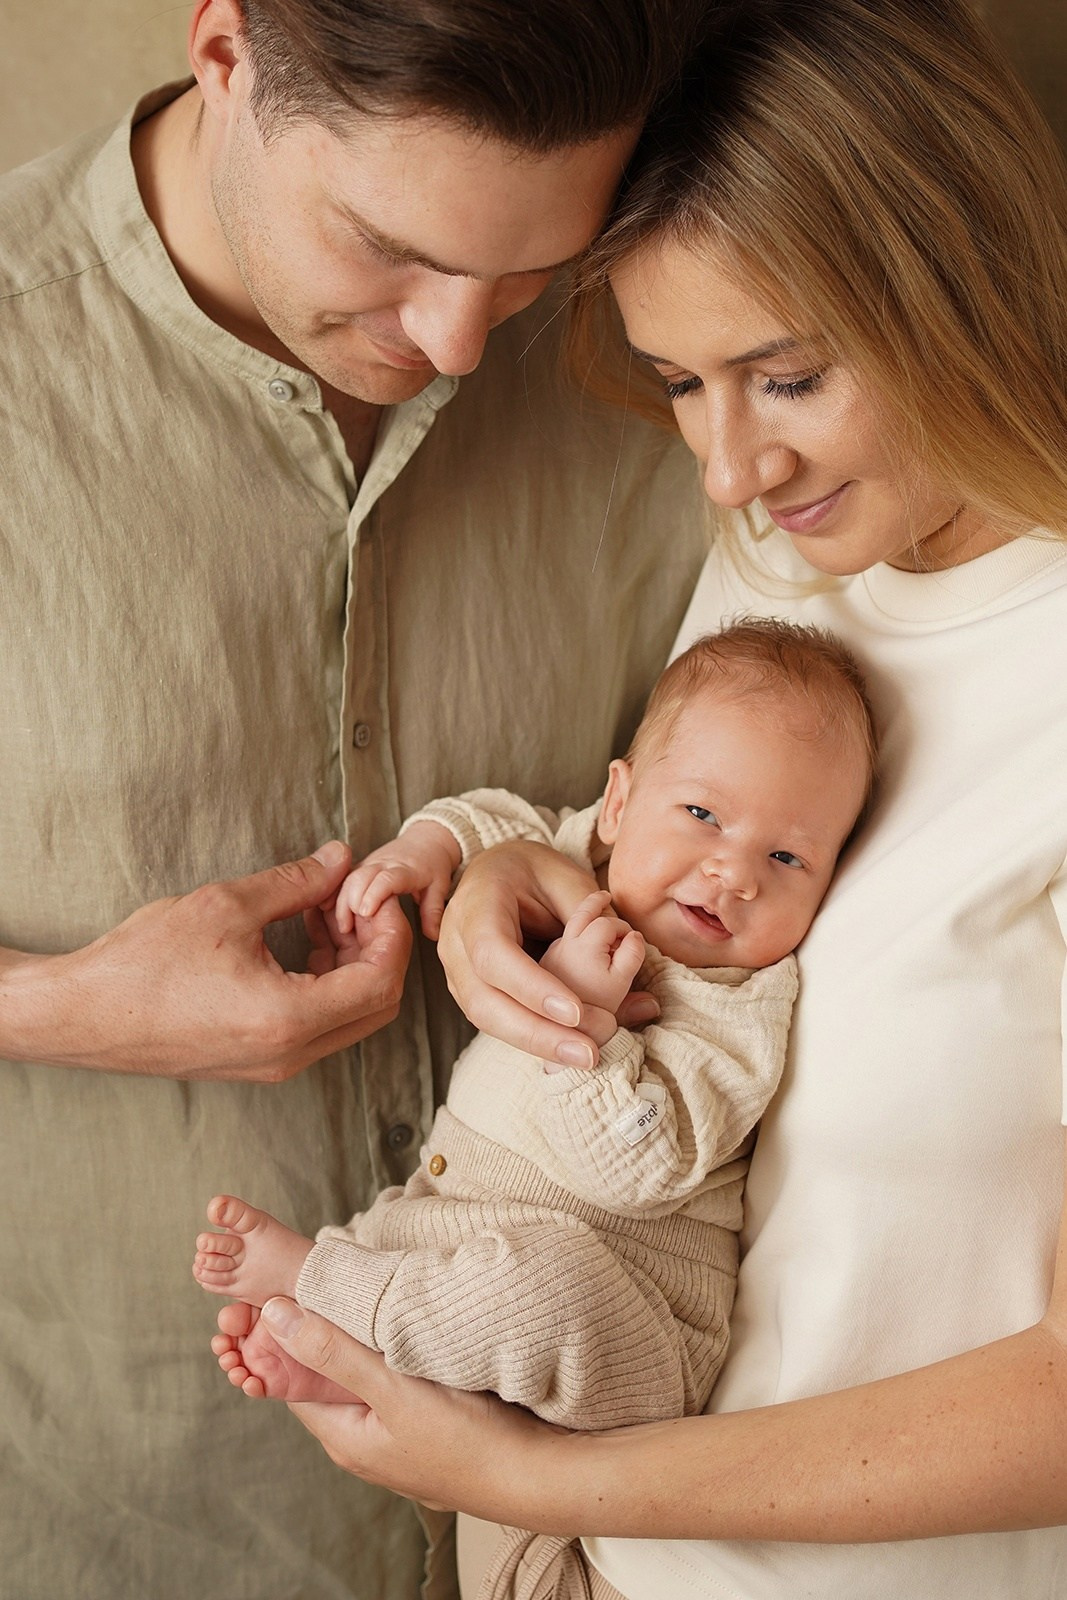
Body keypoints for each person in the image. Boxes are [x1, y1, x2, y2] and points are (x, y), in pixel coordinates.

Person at [214, 1, 1067, 1597]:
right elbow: (674, 872)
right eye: (682, 381)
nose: (728, 467)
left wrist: (535, 1467)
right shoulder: (776, 570)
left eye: (787, 376)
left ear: (954, 277)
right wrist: (509, 883)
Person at [0, 1, 713, 1595]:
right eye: (385, 246)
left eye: (525, 268)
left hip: (592, 1523)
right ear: (226, 54)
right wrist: (52, 1003)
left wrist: (543, 859)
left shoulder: (670, 336)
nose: (458, 342)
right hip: (131, 1515)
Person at [191, 620, 874, 1429]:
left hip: (625, 1316)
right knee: (415, 1242)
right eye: (702, 813)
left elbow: (643, 1169)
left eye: (787, 859)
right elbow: (502, 825)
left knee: (543, 1291)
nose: (732, 873)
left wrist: (583, 1018)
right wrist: (428, 847)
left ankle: (324, 1287)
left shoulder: (739, 1005)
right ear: (618, 803)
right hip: (450, 1216)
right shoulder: (586, 865)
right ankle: (360, 1362)